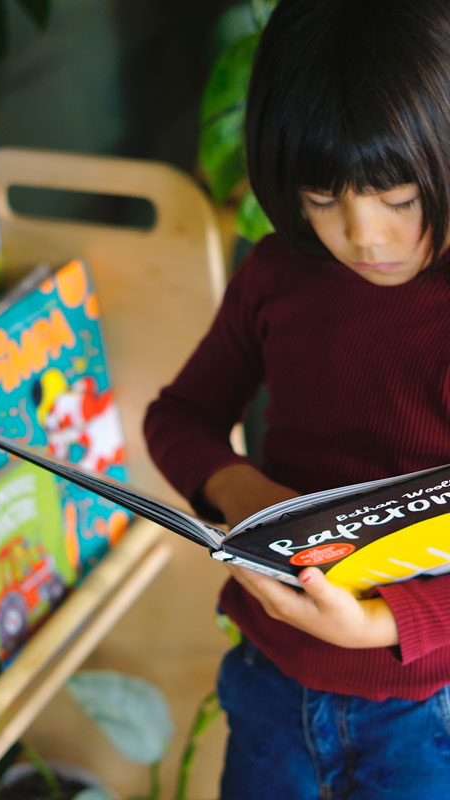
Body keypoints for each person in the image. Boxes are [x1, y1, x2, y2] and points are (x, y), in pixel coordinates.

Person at [143, 0, 450, 797]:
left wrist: (381, 623)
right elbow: (179, 415)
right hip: (272, 682)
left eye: (398, 197)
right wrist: (243, 491)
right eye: (323, 195)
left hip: (427, 708)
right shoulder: (280, 274)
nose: (362, 236)